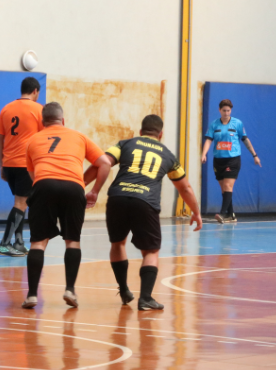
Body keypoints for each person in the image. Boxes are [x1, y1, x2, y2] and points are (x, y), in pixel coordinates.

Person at [85, 114, 203, 310]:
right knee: (151, 251)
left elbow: (101, 162)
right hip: (145, 201)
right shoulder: (168, 155)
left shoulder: (125, 144)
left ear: (140, 132)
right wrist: (196, 212)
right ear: (161, 134)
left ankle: (124, 290)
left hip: (117, 198)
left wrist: (81, 185)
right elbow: (185, 188)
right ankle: (146, 298)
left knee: (117, 243)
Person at [21, 102, 113, 309]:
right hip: (73, 187)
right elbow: (105, 163)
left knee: (38, 242)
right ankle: (70, 290)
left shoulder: (32, 140)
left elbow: (33, 175)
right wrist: (93, 190)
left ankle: (32, 295)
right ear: (63, 120)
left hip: (43, 184)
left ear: (42, 122)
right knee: (72, 241)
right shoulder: (78, 136)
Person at [0, 77, 44, 257]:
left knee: (23, 203)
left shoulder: (6, 109)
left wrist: (1, 164)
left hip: (9, 163)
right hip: (25, 164)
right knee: (21, 203)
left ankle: (19, 242)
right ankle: (4, 243)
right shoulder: (39, 110)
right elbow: (45, 138)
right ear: (35, 91)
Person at [200, 99, 261, 224]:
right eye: (224, 110)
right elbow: (208, 140)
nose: (226, 113)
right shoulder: (214, 125)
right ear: (219, 110)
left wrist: (254, 155)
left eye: (228, 110)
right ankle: (231, 214)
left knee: (228, 186)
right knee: (224, 189)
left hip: (232, 159)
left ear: (231, 111)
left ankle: (222, 214)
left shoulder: (237, 124)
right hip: (218, 160)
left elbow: (245, 140)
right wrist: (204, 153)